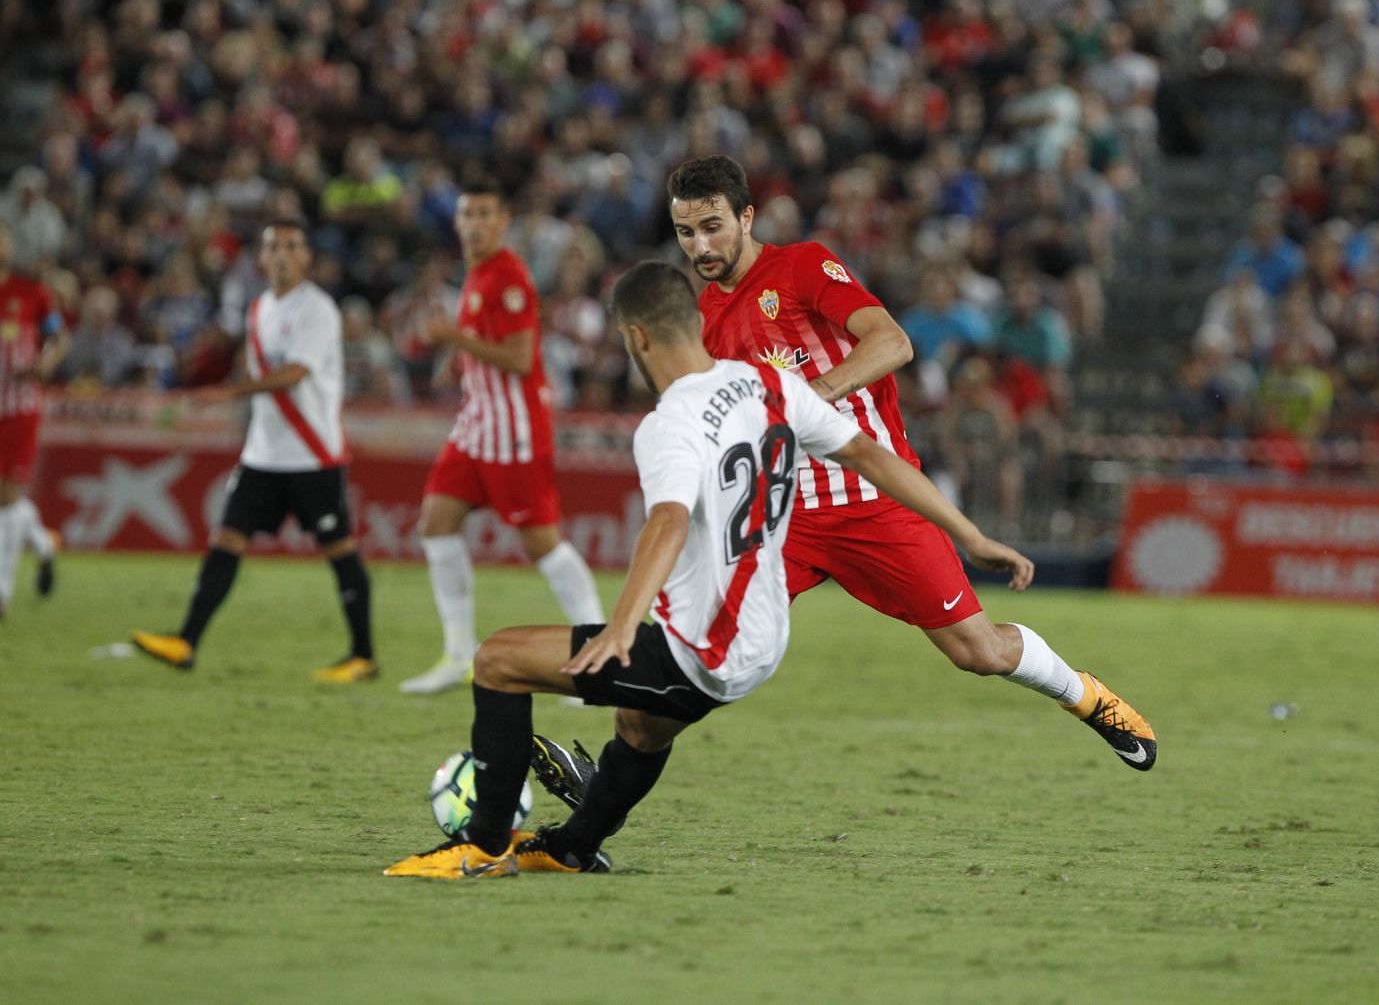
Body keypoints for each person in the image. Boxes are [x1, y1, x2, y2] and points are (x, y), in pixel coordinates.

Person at [384, 261, 1046, 877]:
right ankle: (574, 848)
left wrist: (621, 627)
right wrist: (970, 535)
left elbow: (667, 523)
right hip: (764, 634)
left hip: (703, 649)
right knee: (640, 727)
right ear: (697, 323)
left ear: (636, 338)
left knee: (498, 660)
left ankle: (481, 843)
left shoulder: (669, 423)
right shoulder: (770, 386)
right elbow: (872, 455)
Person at [663, 156, 1155, 769]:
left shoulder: (802, 266)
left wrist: (813, 397)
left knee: (978, 651)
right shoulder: (706, 320)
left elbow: (893, 342)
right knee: (706, 645)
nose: (700, 245)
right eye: (686, 232)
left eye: (712, 227)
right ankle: (606, 776)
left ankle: (1087, 697)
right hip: (785, 515)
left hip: (876, 499)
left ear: (746, 216)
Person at [130, 219, 378, 682]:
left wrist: (229, 392)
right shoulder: (260, 307)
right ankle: (186, 641)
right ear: (261, 258)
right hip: (263, 453)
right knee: (226, 539)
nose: (282, 254)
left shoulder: (318, 309)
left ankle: (363, 655)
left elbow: (296, 373)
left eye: (291, 245)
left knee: (339, 549)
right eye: (273, 246)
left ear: (306, 256)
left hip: (312, 453)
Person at [399, 182, 604, 694]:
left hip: (514, 431)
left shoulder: (508, 276)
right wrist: (459, 360)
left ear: (503, 221)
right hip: (476, 425)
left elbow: (518, 357)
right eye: (466, 214)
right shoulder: (478, 273)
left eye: (484, 214)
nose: (473, 224)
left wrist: (454, 339)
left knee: (542, 544)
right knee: (436, 524)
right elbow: (486, 344)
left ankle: (601, 657)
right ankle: (457, 654)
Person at [0, 221, 67, 618]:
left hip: (19, 408)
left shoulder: (30, 292)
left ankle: (2, 591)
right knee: (6, 499)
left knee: (6, 497)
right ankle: (41, 543)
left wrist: (48, 362)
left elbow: (57, 338)